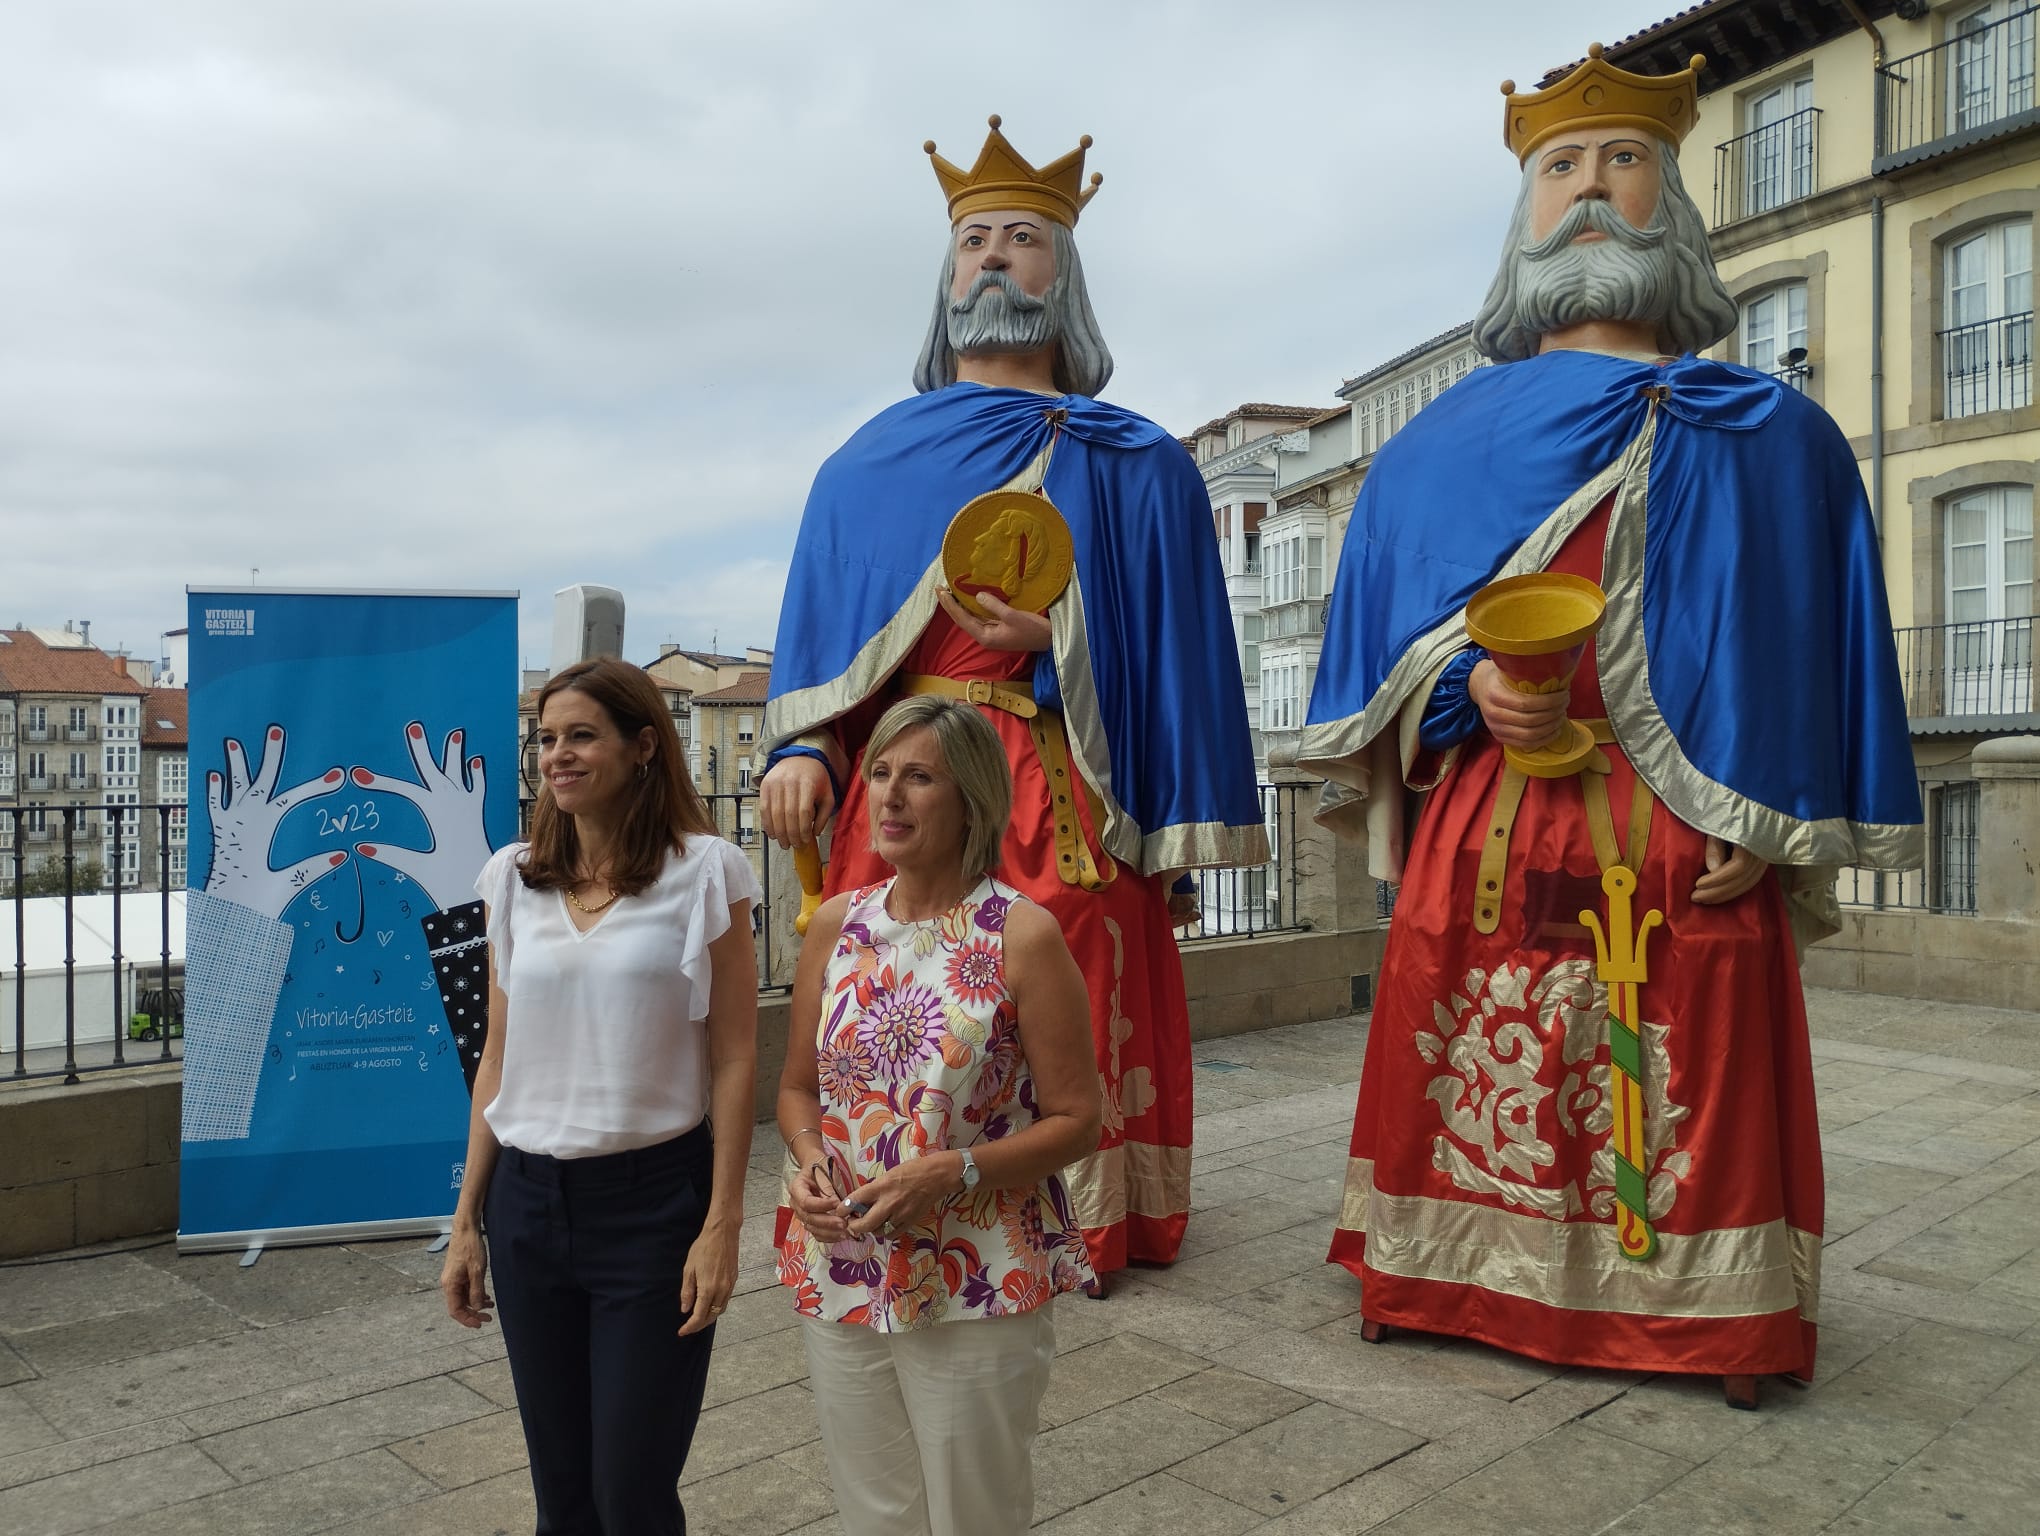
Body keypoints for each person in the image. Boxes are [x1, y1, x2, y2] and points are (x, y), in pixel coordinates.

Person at [1295, 46, 1922, 1408]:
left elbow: (1801, 648)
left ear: (1671, 204)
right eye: (1560, 168)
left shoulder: (1774, 435)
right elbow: (1373, 675)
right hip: (1489, 820)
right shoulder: (1433, 449)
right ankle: (1450, 1272)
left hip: (1687, 828)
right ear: (1524, 223)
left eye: (1622, 161)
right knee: (1480, 1055)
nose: (1591, 189)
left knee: (1685, 1062)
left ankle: (1704, 1314)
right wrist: (1468, 689)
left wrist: (1771, 803)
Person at [759, 116, 1265, 1287]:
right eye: (972, 240)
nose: (993, 258)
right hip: (901, 777)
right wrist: (799, 749)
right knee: (892, 991)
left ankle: (1074, 1216)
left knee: (1057, 976)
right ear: (946, 278)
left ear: (1062, 274)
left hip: (1053, 771)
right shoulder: (865, 467)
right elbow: (825, 651)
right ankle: (874, 1191)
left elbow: (1177, 659)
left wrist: (1059, 641)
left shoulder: (1138, 464)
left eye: (1022, 240)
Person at [439, 657, 760, 1533]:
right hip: (529, 1207)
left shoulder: (707, 872)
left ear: (644, 746)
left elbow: (735, 1056)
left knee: (632, 1494)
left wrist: (722, 1222)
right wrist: (468, 1220)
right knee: (564, 1498)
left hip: (653, 1207)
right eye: (546, 739)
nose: (557, 756)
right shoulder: (511, 878)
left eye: (582, 735)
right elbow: (498, 1059)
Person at [777, 695, 1100, 1535]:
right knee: (873, 1510)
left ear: (973, 803)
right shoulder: (836, 928)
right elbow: (796, 1089)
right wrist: (810, 1157)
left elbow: (1077, 1118)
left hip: (979, 1268)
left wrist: (950, 1170)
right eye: (879, 773)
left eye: (918, 777)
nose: (887, 796)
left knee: (974, 1513)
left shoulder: (1022, 937)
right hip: (844, 1258)